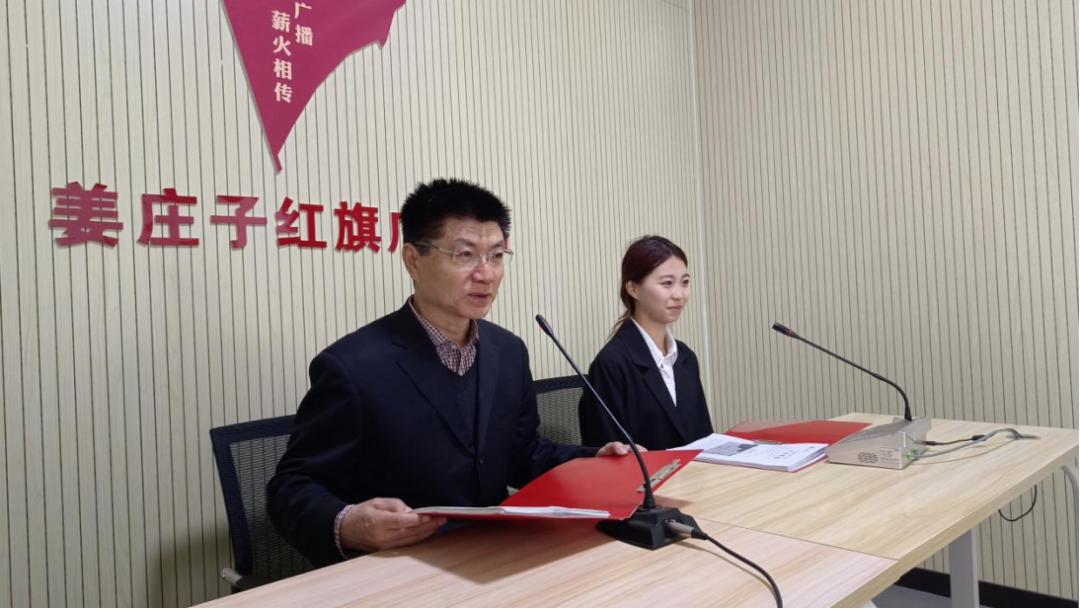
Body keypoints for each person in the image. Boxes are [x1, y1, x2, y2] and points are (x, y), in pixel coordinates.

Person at [267, 178, 634, 568]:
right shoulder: (353, 366)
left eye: (496, 255)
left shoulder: (508, 351)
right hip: (402, 566)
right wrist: (347, 524)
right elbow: (291, 487)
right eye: (465, 254)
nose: (486, 274)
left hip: (497, 556)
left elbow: (522, 453)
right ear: (413, 260)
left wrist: (592, 460)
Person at [578, 236, 713, 450]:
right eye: (667, 283)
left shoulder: (685, 356)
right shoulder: (611, 364)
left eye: (685, 282)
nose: (679, 294)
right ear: (633, 288)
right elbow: (606, 453)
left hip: (693, 471)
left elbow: (705, 440)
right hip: (646, 473)